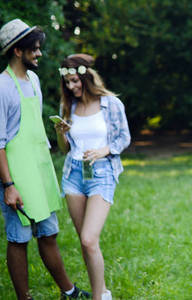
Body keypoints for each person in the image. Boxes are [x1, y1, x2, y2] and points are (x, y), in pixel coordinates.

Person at [0, 19, 91, 300]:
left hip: (39, 169)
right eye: (34, 49)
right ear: (18, 51)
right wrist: (9, 185)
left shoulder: (35, 80)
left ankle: (69, 291)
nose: (39, 54)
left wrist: (57, 131)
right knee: (19, 239)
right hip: (16, 175)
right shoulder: (2, 86)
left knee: (49, 233)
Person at [54, 53, 130, 300]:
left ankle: (98, 297)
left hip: (102, 173)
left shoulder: (110, 104)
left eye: (75, 81)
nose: (71, 87)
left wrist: (103, 150)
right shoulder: (68, 106)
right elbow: (65, 148)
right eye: (68, 83)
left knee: (88, 239)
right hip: (73, 174)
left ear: (86, 78)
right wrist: (60, 133)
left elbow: (124, 138)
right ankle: (103, 291)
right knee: (86, 242)